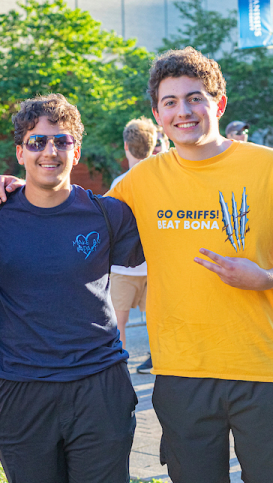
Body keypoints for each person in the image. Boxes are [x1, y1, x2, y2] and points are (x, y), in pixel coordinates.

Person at [0, 47, 273, 483]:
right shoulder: (138, 183)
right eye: (170, 102)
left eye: (195, 98)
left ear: (218, 104)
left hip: (266, 367)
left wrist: (269, 277)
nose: (184, 111)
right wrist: (18, 184)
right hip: (181, 373)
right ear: (157, 114)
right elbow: (71, 211)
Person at [0, 94, 143, 483]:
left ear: (75, 152)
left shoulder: (108, 213)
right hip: (20, 389)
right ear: (20, 152)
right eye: (37, 142)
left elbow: (167, 258)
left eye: (61, 141)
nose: (50, 151)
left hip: (99, 386)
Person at [110, 117, 158, 374]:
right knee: (156, 320)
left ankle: (120, 369)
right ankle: (158, 363)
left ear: (126, 147)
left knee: (118, 323)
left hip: (125, 267)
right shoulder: (163, 179)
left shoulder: (121, 183)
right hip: (154, 264)